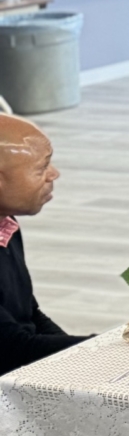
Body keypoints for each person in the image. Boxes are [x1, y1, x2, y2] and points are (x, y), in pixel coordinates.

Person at [0, 114, 81, 374]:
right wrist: (112, 348)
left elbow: (30, 315)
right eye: (41, 168)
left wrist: (89, 356)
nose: (54, 174)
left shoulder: (6, 223)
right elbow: (11, 350)